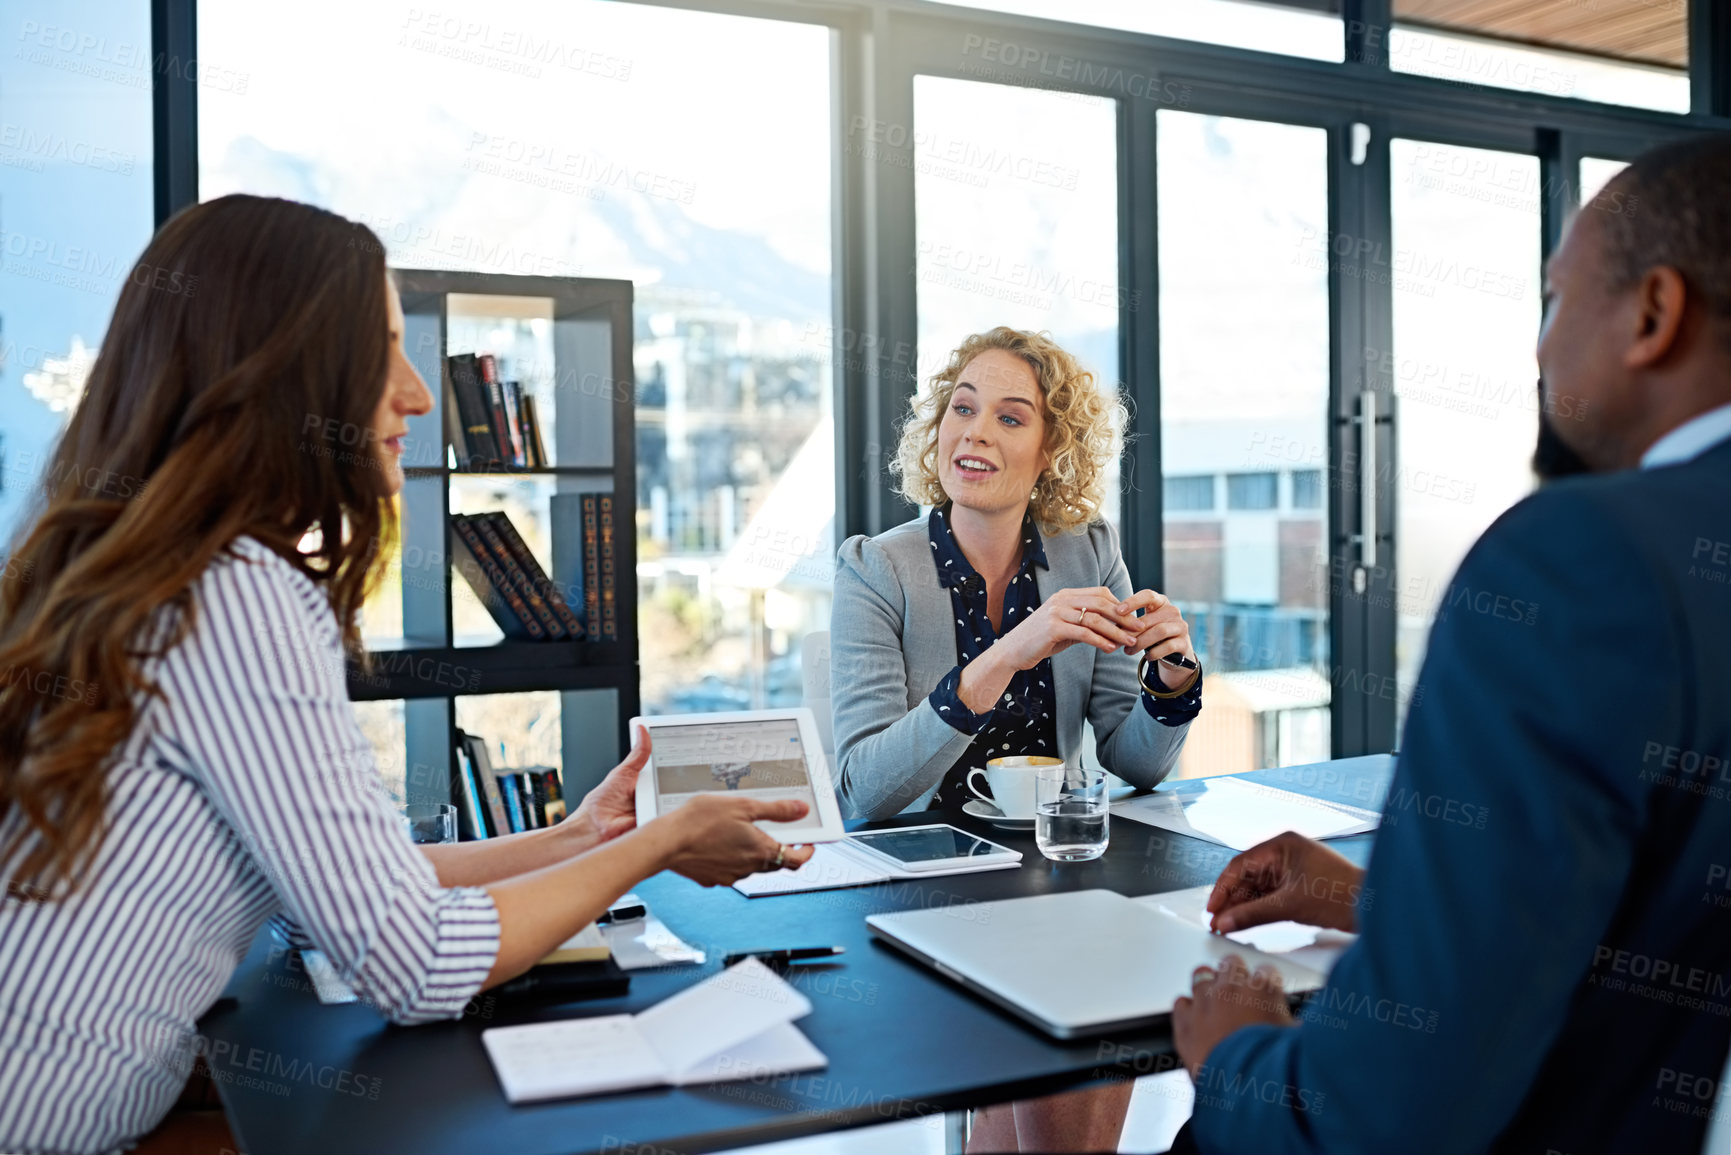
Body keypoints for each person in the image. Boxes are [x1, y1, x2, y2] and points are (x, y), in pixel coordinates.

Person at [0, 195, 815, 1155]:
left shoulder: (135, 565)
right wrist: (657, 844)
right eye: (379, 347)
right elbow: (415, 961)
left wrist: (576, 835)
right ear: (280, 372)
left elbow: (359, 884)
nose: (418, 392)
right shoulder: (241, 596)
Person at [1170, 134, 1731, 1153]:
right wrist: (1388, 900)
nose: (1540, 348)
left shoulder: (1583, 561)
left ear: (1653, 314)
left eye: (1557, 302)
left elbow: (1383, 1121)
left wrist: (1237, 1059)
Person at [830, 326, 1202, 1152]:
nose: (974, 432)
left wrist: (1169, 679)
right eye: (961, 409)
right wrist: (1004, 653)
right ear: (935, 433)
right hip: (926, 894)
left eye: (1009, 416)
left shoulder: (1086, 551)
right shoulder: (874, 570)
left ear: (1050, 450)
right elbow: (863, 789)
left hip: (1060, 879)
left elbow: (1131, 759)